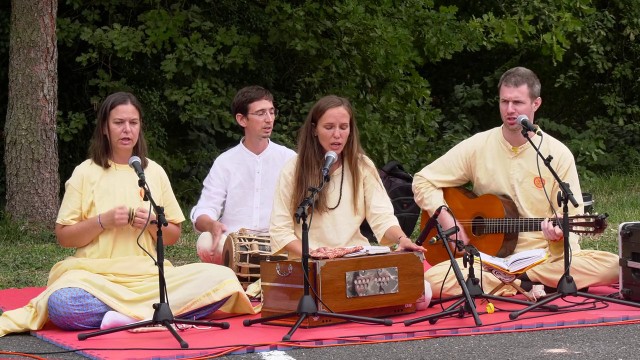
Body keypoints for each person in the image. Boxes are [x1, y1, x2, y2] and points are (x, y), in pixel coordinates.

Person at [0, 92, 255, 336]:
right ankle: (148, 316)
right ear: (104, 128)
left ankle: (125, 317)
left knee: (223, 280)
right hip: (95, 278)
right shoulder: (85, 172)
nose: (127, 129)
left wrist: (153, 222)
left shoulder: (153, 172)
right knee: (63, 304)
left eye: (133, 123)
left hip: (148, 277)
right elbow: (65, 237)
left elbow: (173, 235)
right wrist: (103, 221)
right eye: (119, 123)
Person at [413, 66, 619, 299]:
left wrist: (556, 239)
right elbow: (423, 180)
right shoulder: (478, 146)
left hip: (541, 257)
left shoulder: (557, 154)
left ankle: (516, 281)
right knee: (430, 279)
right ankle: (523, 284)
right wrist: (447, 218)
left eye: (518, 103)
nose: (510, 110)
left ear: (536, 104)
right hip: (488, 260)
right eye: (504, 102)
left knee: (614, 265)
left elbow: (570, 224)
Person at [270, 95, 424, 258]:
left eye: (343, 127)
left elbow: (382, 216)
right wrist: (312, 254)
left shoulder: (362, 165)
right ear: (314, 129)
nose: (337, 134)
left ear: (350, 131)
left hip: (354, 260)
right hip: (308, 265)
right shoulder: (293, 168)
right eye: (329, 127)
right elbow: (280, 230)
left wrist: (401, 238)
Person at [190, 86, 296, 265]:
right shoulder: (225, 162)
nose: (269, 119)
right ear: (242, 119)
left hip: (277, 243)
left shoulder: (289, 159)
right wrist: (211, 225)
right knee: (206, 243)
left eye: (271, 112)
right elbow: (205, 208)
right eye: (261, 113)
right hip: (235, 244)